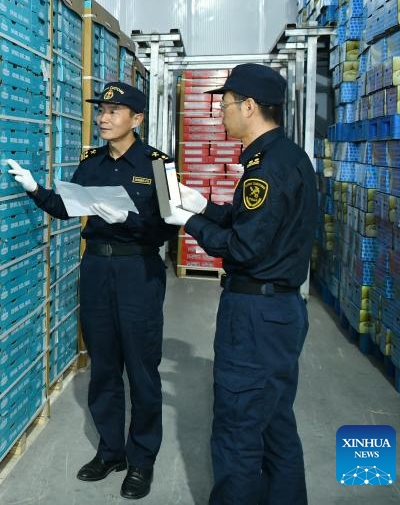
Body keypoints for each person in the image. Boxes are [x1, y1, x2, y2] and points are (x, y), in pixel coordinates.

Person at [7, 81, 179, 500]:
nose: (103, 118)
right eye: (101, 110)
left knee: (141, 369)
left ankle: (141, 460)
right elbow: (68, 207)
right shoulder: (91, 162)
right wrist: (35, 190)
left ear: (136, 119)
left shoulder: (159, 164)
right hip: (97, 269)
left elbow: (170, 227)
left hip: (138, 270)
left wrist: (129, 221)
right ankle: (110, 451)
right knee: (103, 366)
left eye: (113, 111)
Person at [163, 63, 316, 505]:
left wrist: (187, 221)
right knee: (275, 426)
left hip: (255, 317)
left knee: (238, 431)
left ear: (249, 107)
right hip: (279, 313)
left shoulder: (266, 169)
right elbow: (254, 222)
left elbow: (245, 248)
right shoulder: (285, 157)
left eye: (225, 104)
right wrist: (205, 206)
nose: (220, 113)